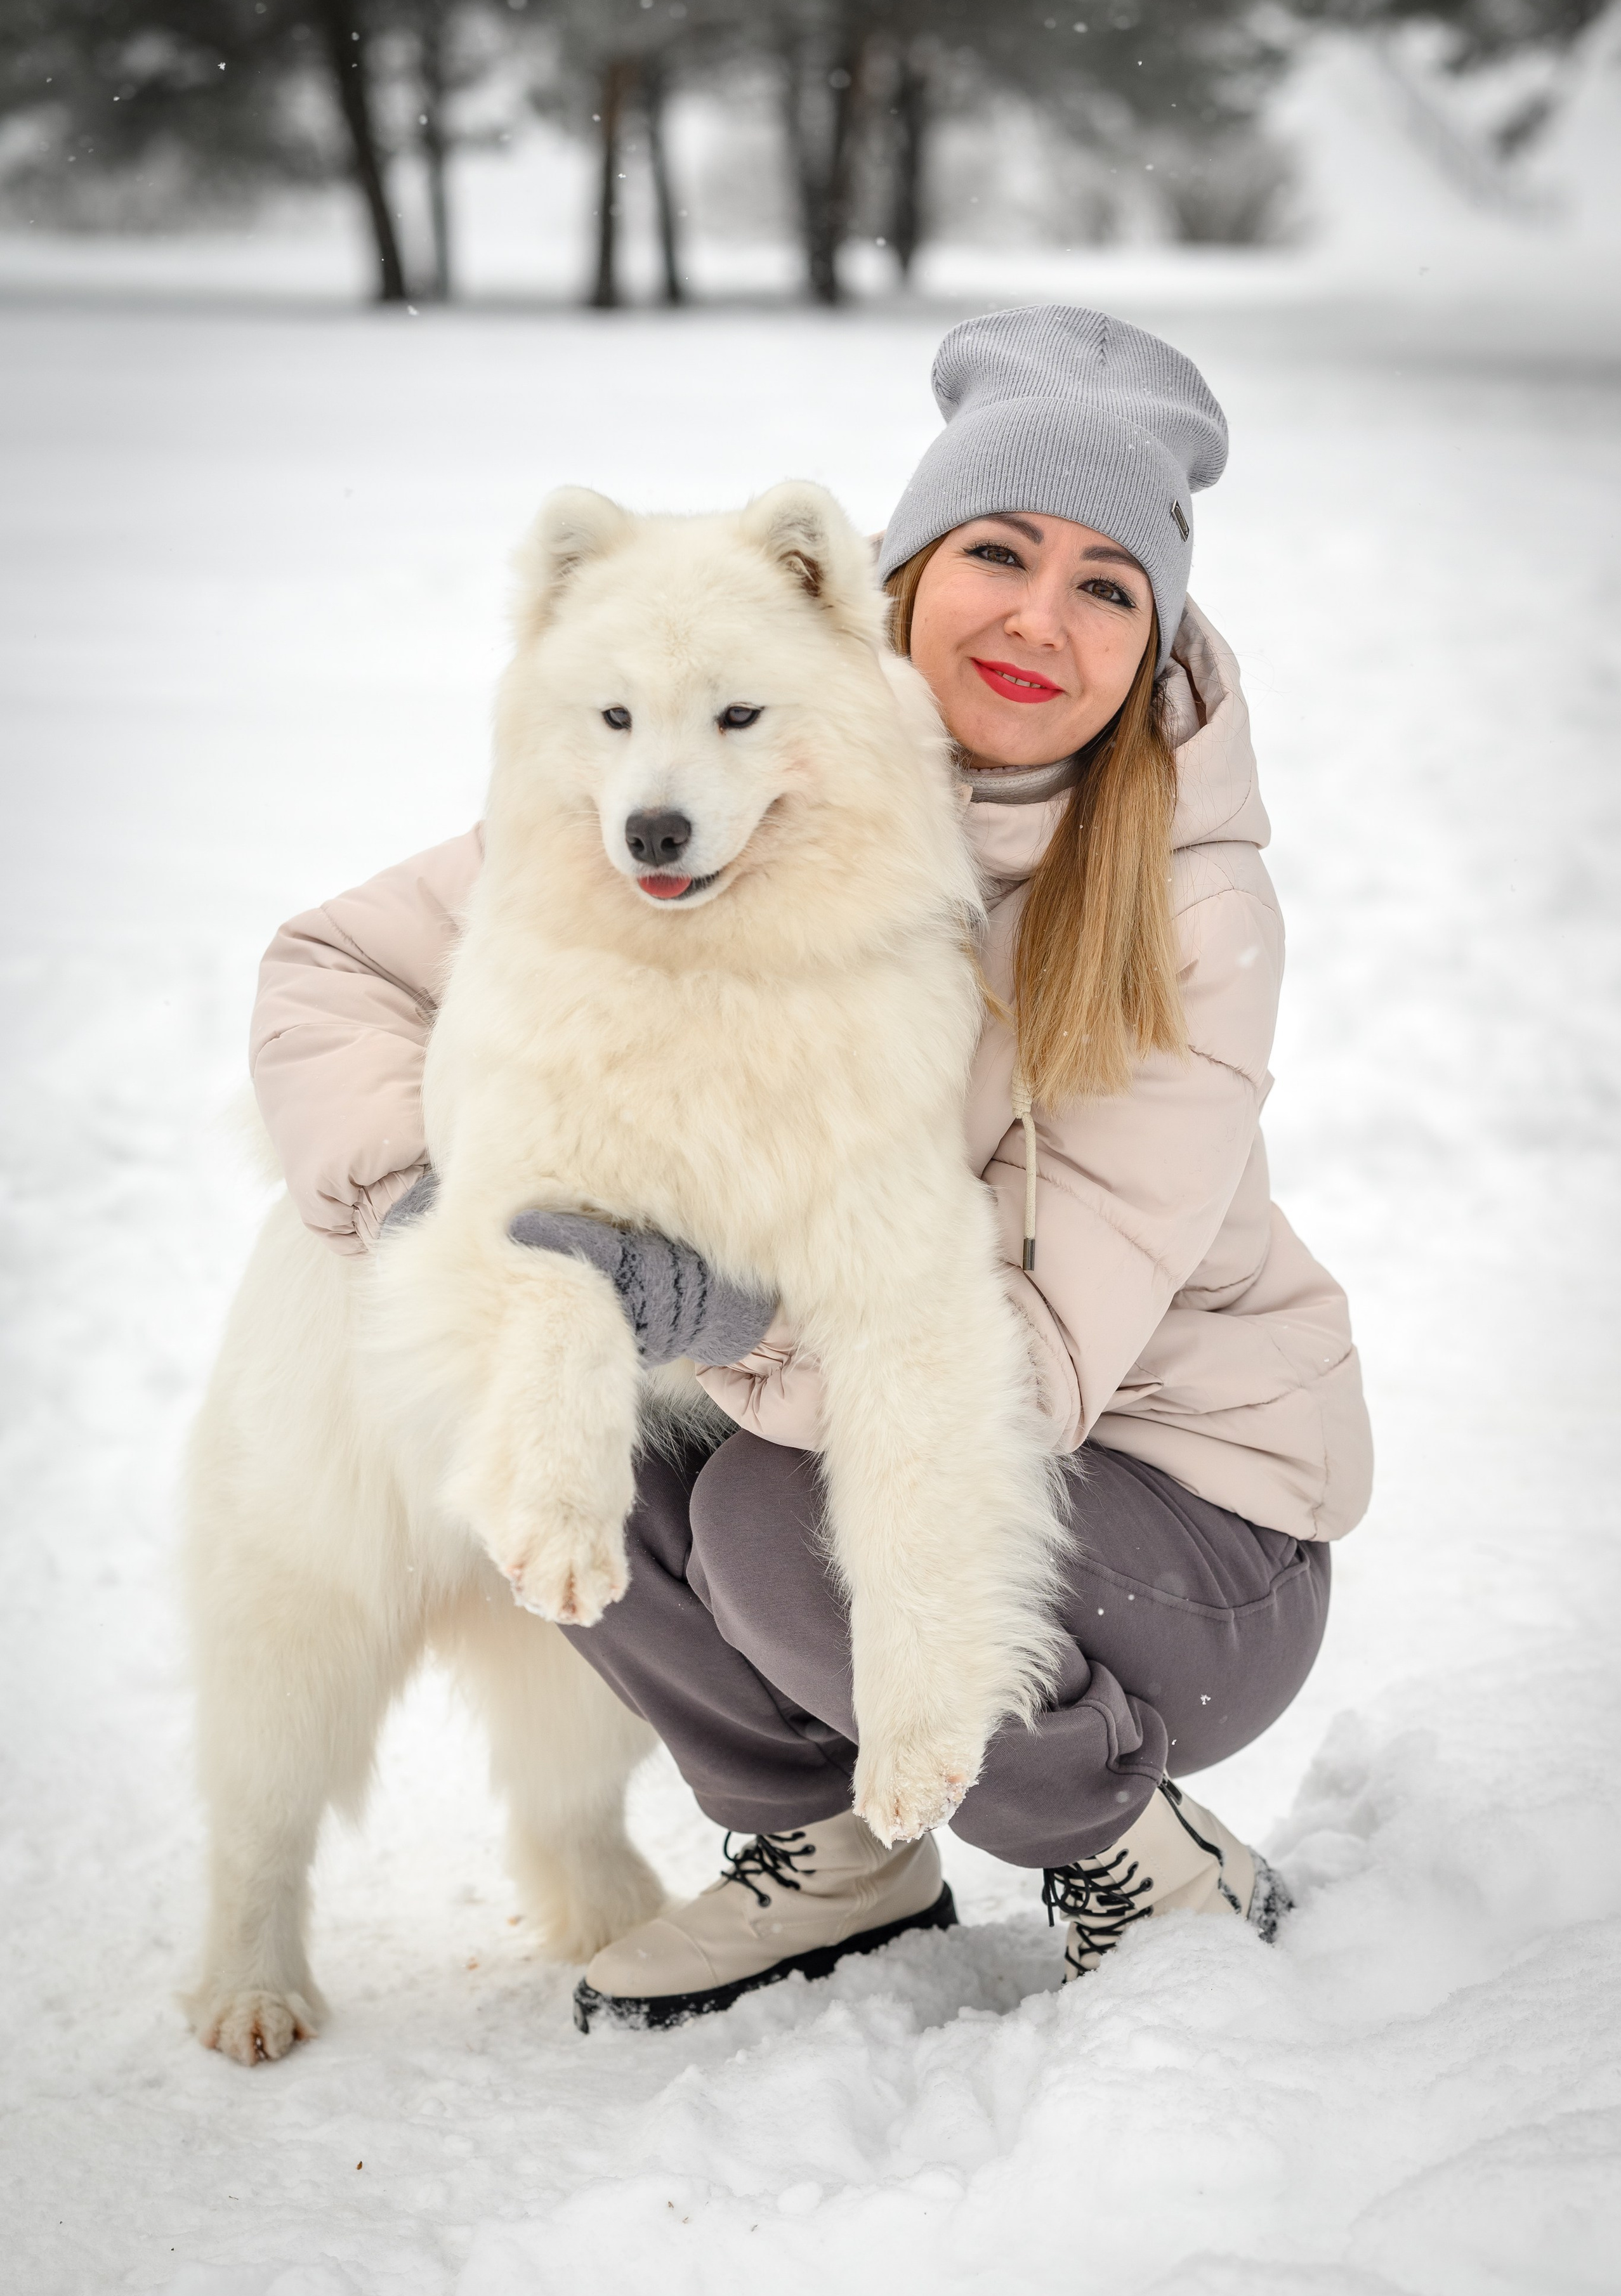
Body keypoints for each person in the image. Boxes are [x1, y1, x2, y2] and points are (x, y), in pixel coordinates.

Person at [251, 306, 1372, 2030]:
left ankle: (1134, 1843)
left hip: (1191, 1515)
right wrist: (452, 1211)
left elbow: (1032, 1364)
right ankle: (834, 1846)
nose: (1037, 620)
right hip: (847, 1385)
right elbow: (335, 970)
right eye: (999, 552)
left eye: (1105, 587)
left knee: (780, 1520)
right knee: (543, 1401)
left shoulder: (1187, 901)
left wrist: (693, 1305)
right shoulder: (727, 737)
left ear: (1150, 641)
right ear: (900, 577)